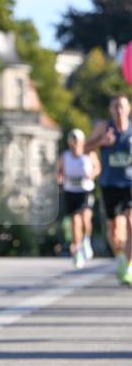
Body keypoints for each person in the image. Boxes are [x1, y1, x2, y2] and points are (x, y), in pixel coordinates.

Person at [86, 94, 132, 286]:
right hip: (109, 184)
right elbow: (83, 149)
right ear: (111, 110)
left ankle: (128, 268)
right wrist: (101, 142)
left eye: (122, 106)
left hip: (129, 184)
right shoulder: (104, 128)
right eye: (115, 107)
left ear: (128, 109)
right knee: (114, 231)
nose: (119, 110)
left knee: (130, 223)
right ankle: (120, 257)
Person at [57, 128, 99, 268]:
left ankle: (86, 239)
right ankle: (78, 251)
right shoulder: (65, 156)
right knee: (75, 222)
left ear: (82, 142)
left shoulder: (89, 154)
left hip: (85, 190)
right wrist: (60, 180)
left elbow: (97, 168)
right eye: (72, 139)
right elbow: (59, 171)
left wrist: (91, 175)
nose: (74, 143)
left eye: (77, 140)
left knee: (86, 220)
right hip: (71, 191)